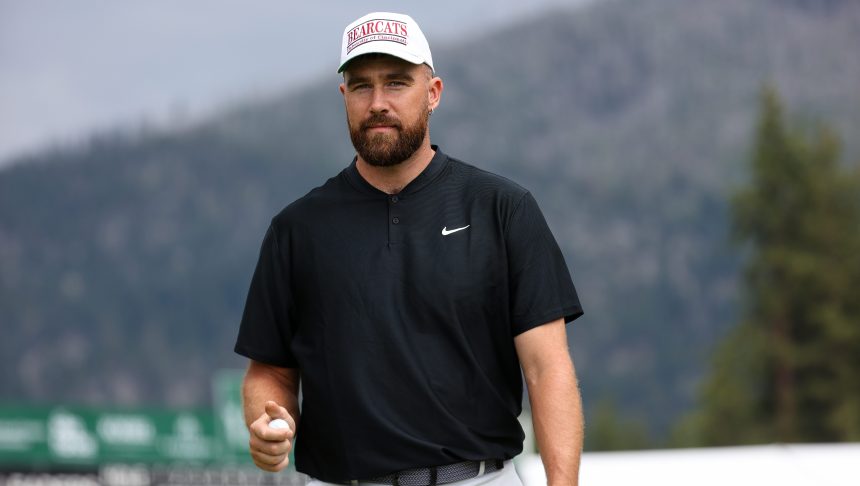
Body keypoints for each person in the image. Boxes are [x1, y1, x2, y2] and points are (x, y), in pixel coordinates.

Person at [235, 11, 585, 486]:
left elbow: (548, 369)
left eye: (397, 83)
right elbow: (269, 371)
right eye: (361, 86)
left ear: (434, 92)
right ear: (344, 96)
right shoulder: (297, 229)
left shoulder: (503, 209)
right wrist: (267, 422)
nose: (378, 102)